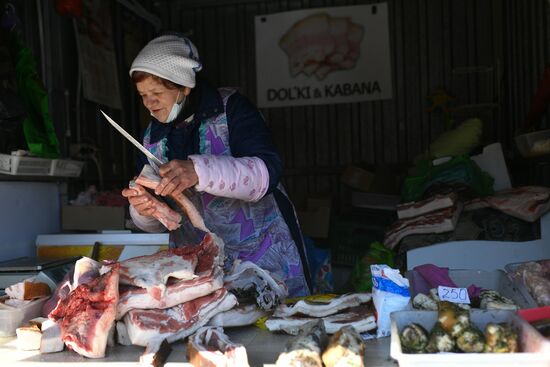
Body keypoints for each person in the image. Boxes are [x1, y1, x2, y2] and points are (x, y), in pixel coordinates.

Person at [121, 33, 311, 297]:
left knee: (277, 328)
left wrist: (197, 171)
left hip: (262, 254)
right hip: (199, 267)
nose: (149, 103)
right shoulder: (152, 137)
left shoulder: (231, 109)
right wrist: (143, 211)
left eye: (157, 93)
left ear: (185, 86)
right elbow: (162, 218)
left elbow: (268, 172)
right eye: (142, 95)